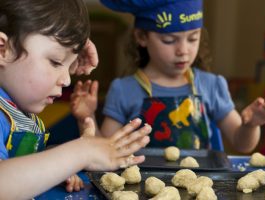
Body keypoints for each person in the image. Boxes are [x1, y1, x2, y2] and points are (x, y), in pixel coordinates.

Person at [71, 0, 265, 153]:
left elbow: (242, 144)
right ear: (142, 37)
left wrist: (251, 125)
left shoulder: (212, 85)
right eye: (169, 41)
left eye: (193, 39)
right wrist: (86, 117)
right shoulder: (124, 90)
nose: (183, 51)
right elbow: (106, 152)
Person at [0, 0, 152, 199]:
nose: (67, 79)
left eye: (70, 65)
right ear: (3, 50)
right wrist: (81, 152)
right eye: (55, 62)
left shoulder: (17, 107)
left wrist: (59, 165)